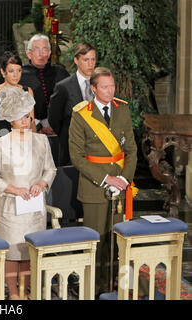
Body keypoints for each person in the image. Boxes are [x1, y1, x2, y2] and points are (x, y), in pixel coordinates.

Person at [68, 67, 138, 296]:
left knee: (119, 240)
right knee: (96, 241)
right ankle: (93, 287)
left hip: (120, 185)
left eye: (112, 86)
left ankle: (119, 284)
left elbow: (131, 149)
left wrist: (124, 179)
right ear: (94, 88)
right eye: (105, 87)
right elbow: (77, 157)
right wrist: (105, 178)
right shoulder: (81, 114)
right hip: (94, 187)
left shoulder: (122, 110)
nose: (110, 91)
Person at [0, 86, 56, 300]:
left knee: (28, 251)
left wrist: (42, 183)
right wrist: (13, 189)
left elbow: (51, 169)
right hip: (10, 207)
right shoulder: (0, 144)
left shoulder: (42, 141)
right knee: (12, 254)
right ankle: (13, 293)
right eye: (19, 118)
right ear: (10, 121)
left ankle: (25, 290)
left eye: (27, 117)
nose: (25, 122)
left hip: (34, 208)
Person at [48, 42, 97, 166]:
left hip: (98, 150)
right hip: (71, 149)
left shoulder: (101, 84)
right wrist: (68, 135)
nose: (90, 64)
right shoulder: (64, 87)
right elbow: (54, 118)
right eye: (86, 60)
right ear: (76, 60)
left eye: (93, 59)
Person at [0, 52, 36, 157]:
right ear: (3, 71)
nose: (16, 75)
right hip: (0, 147)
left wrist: (34, 148)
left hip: (23, 146)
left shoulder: (27, 91)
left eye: (19, 71)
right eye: (11, 71)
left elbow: (31, 123)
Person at [19, 34, 69, 135]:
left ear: (49, 53)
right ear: (29, 53)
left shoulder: (61, 73)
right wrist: (37, 125)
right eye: (37, 50)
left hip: (58, 129)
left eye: (45, 49)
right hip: (31, 129)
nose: (41, 54)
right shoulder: (20, 75)